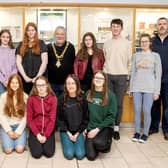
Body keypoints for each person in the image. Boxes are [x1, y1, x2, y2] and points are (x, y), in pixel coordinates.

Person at [129, 34, 162, 143]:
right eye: (142, 41)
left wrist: (157, 91)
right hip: (137, 88)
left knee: (147, 111)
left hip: (150, 88)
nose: (144, 43)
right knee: (137, 110)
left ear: (150, 43)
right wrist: (130, 89)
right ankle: (137, 132)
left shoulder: (155, 56)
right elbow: (133, 73)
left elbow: (158, 75)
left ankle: (146, 133)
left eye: (146, 41)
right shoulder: (136, 56)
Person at [103, 18, 132, 140]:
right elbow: (105, 59)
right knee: (108, 103)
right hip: (108, 75)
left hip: (121, 76)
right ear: (111, 28)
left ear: (121, 28)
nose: (115, 28)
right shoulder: (106, 43)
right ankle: (108, 127)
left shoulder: (127, 43)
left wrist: (127, 78)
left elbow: (130, 62)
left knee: (119, 104)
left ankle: (116, 128)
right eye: (113, 26)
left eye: (118, 26)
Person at [85, 70, 117, 161]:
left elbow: (112, 116)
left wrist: (97, 129)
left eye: (100, 78)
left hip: (105, 127)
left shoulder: (111, 96)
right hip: (91, 126)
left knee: (100, 143)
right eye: (96, 78)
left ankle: (106, 143)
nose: (98, 80)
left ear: (104, 81)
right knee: (91, 157)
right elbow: (84, 114)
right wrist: (85, 128)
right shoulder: (88, 94)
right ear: (93, 80)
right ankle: (95, 143)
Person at [57, 74, 88, 160]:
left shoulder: (83, 98)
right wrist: (68, 133)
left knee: (80, 155)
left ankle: (77, 140)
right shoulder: (61, 99)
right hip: (66, 130)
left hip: (79, 131)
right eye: (68, 83)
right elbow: (59, 119)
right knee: (69, 154)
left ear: (77, 85)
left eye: (73, 83)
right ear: (65, 85)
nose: (70, 86)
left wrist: (78, 133)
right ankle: (66, 140)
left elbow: (85, 119)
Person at [26, 76, 57, 158]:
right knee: (37, 154)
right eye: (38, 85)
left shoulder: (53, 98)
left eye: (43, 85)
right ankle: (31, 139)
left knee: (49, 153)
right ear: (35, 87)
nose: (41, 88)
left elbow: (52, 119)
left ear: (47, 85)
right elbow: (29, 119)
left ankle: (46, 140)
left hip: (48, 130)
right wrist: (37, 134)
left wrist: (46, 135)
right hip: (36, 130)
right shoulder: (31, 99)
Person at [16, 22, 48, 94]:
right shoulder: (21, 44)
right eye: (28, 30)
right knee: (25, 100)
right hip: (24, 79)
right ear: (26, 32)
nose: (30, 32)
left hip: (40, 79)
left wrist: (38, 77)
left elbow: (45, 61)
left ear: (36, 31)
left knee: (38, 100)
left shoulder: (41, 43)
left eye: (32, 30)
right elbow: (18, 62)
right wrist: (25, 77)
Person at [150, 17, 168, 140]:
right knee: (154, 105)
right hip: (154, 79)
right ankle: (154, 127)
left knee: (167, 106)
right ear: (157, 26)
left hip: (167, 79)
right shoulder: (152, 41)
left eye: (164, 24)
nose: (161, 26)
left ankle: (166, 129)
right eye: (159, 24)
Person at [0, 74, 28, 154]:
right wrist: (9, 131)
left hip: (19, 125)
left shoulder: (25, 96)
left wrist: (18, 131)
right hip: (8, 126)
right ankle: (8, 141)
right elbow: (1, 115)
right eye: (12, 83)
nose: (14, 85)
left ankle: (21, 140)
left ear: (20, 84)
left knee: (19, 149)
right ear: (9, 84)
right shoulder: (3, 96)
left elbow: (26, 117)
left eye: (17, 83)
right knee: (8, 150)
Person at [47, 26, 75, 97]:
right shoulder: (48, 47)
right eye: (57, 34)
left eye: (62, 34)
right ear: (54, 35)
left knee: (65, 104)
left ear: (65, 35)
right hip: (51, 83)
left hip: (66, 83)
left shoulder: (71, 47)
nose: (60, 36)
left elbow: (73, 65)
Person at [0, 29, 17, 94]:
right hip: (1, 81)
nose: (5, 39)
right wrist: (4, 81)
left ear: (10, 39)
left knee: (12, 101)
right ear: (0, 37)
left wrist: (10, 79)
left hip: (12, 81)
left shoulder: (14, 50)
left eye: (7, 37)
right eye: (3, 37)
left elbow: (15, 67)